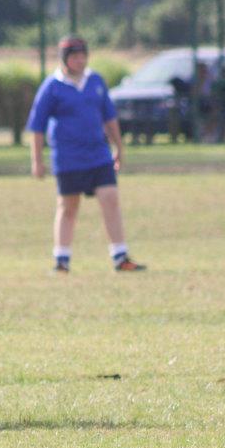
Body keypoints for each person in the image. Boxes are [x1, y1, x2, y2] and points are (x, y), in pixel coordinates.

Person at [28, 36, 145, 274]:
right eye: (75, 57)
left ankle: (120, 257)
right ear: (64, 59)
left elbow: (109, 117)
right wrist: (37, 161)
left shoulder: (95, 81)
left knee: (110, 198)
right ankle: (62, 261)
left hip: (99, 155)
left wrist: (118, 147)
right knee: (68, 207)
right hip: (68, 158)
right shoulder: (52, 86)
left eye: (83, 56)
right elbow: (37, 127)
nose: (80, 61)